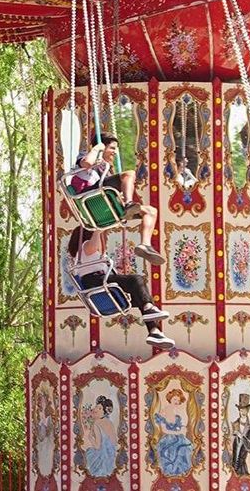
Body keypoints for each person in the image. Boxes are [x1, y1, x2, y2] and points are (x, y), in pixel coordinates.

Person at [68, 225, 174, 349]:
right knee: (136, 279)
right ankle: (150, 312)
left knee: (141, 298)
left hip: (100, 284)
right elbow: (93, 246)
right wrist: (97, 229)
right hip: (95, 281)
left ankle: (154, 332)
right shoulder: (85, 247)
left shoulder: (85, 256)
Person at [72, 134, 164, 265]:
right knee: (129, 174)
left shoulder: (107, 169)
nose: (115, 153)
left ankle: (145, 245)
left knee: (151, 211)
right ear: (102, 147)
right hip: (90, 199)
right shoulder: (87, 156)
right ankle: (129, 204)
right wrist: (96, 149)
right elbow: (86, 163)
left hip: (103, 202)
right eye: (112, 148)